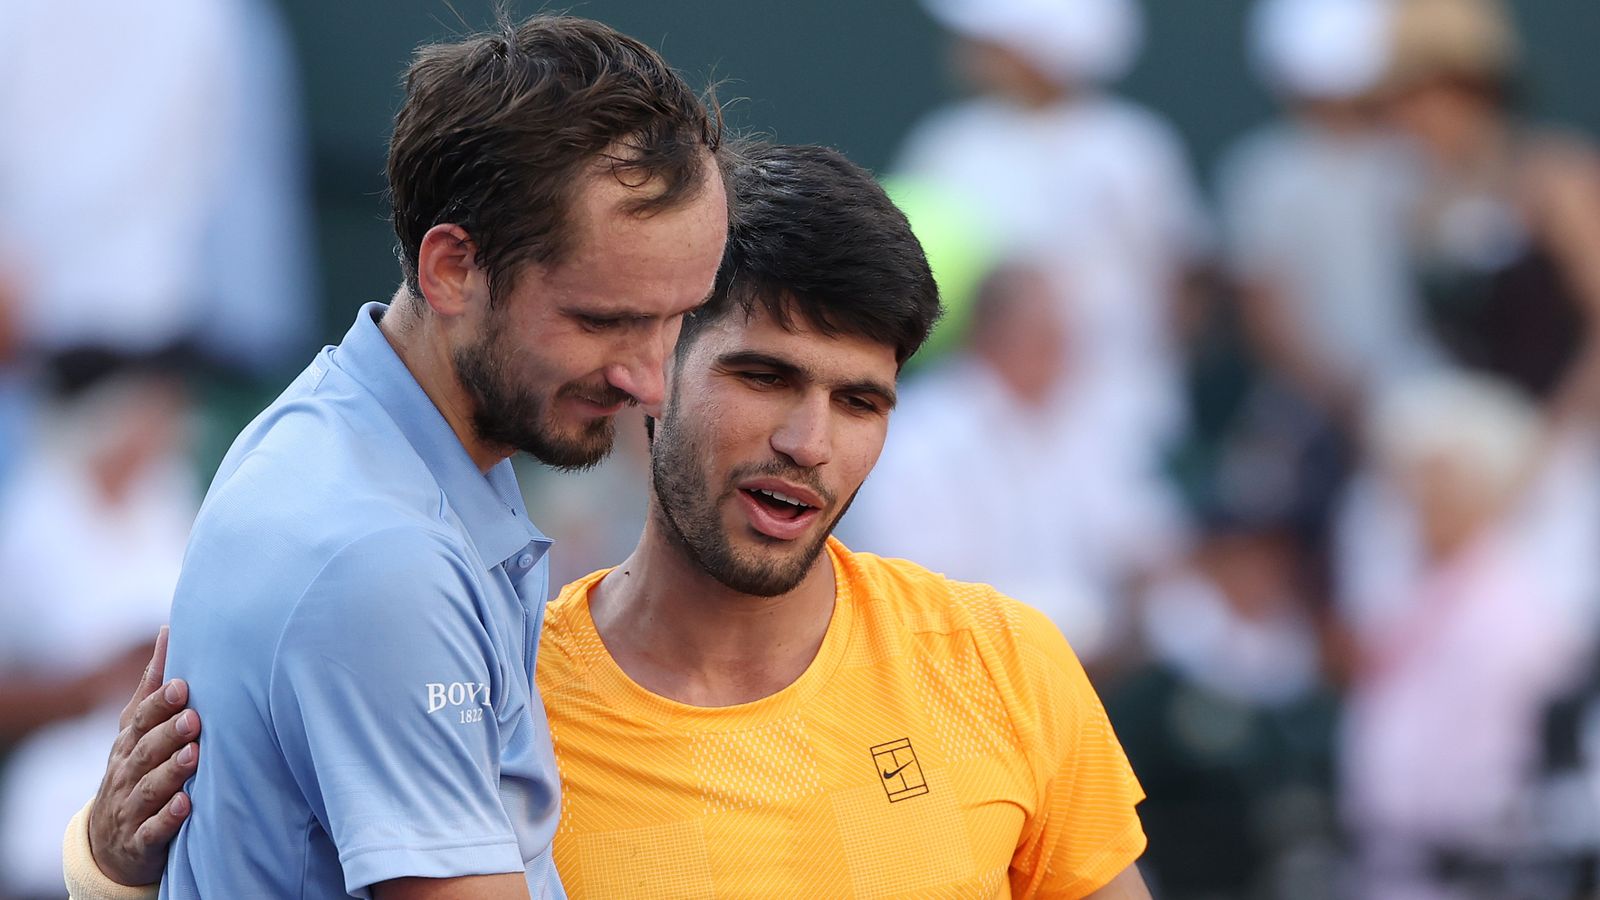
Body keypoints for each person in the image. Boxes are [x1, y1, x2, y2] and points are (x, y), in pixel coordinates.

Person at [66, 144, 1152, 898]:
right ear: (649, 365)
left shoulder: (1003, 661)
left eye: (860, 401)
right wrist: (113, 869)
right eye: (764, 377)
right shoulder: (487, 689)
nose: (810, 442)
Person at [67, 14, 731, 899]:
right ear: (452, 269)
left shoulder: (344, 424)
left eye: (679, 317)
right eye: (603, 320)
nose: (651, 381)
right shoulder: (383, 559)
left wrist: (104, 873)